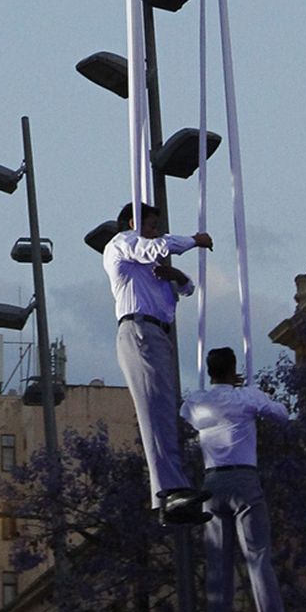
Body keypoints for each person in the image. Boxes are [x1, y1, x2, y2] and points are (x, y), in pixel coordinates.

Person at [90, 203, 212, 525]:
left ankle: (175, 491)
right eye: (153, 224)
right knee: (154, 411)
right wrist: (194, 241)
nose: (157, 230)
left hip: (158, 337)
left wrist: (176, 275)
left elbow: (185, 289)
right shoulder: (122, 244)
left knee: (165, 411)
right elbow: (155, 246)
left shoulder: (149, 267)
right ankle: (167, 492)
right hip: (139, 331)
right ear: (134, 223)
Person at [181, 345, 293, 612]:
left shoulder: (197, 401)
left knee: (218, 557)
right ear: (234, 370)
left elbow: (186, 415)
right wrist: (250, 394)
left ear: (209, 371)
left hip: (212, 483)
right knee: (257, 551)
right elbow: (282, 415)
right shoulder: (246, 397)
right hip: (244, 478)